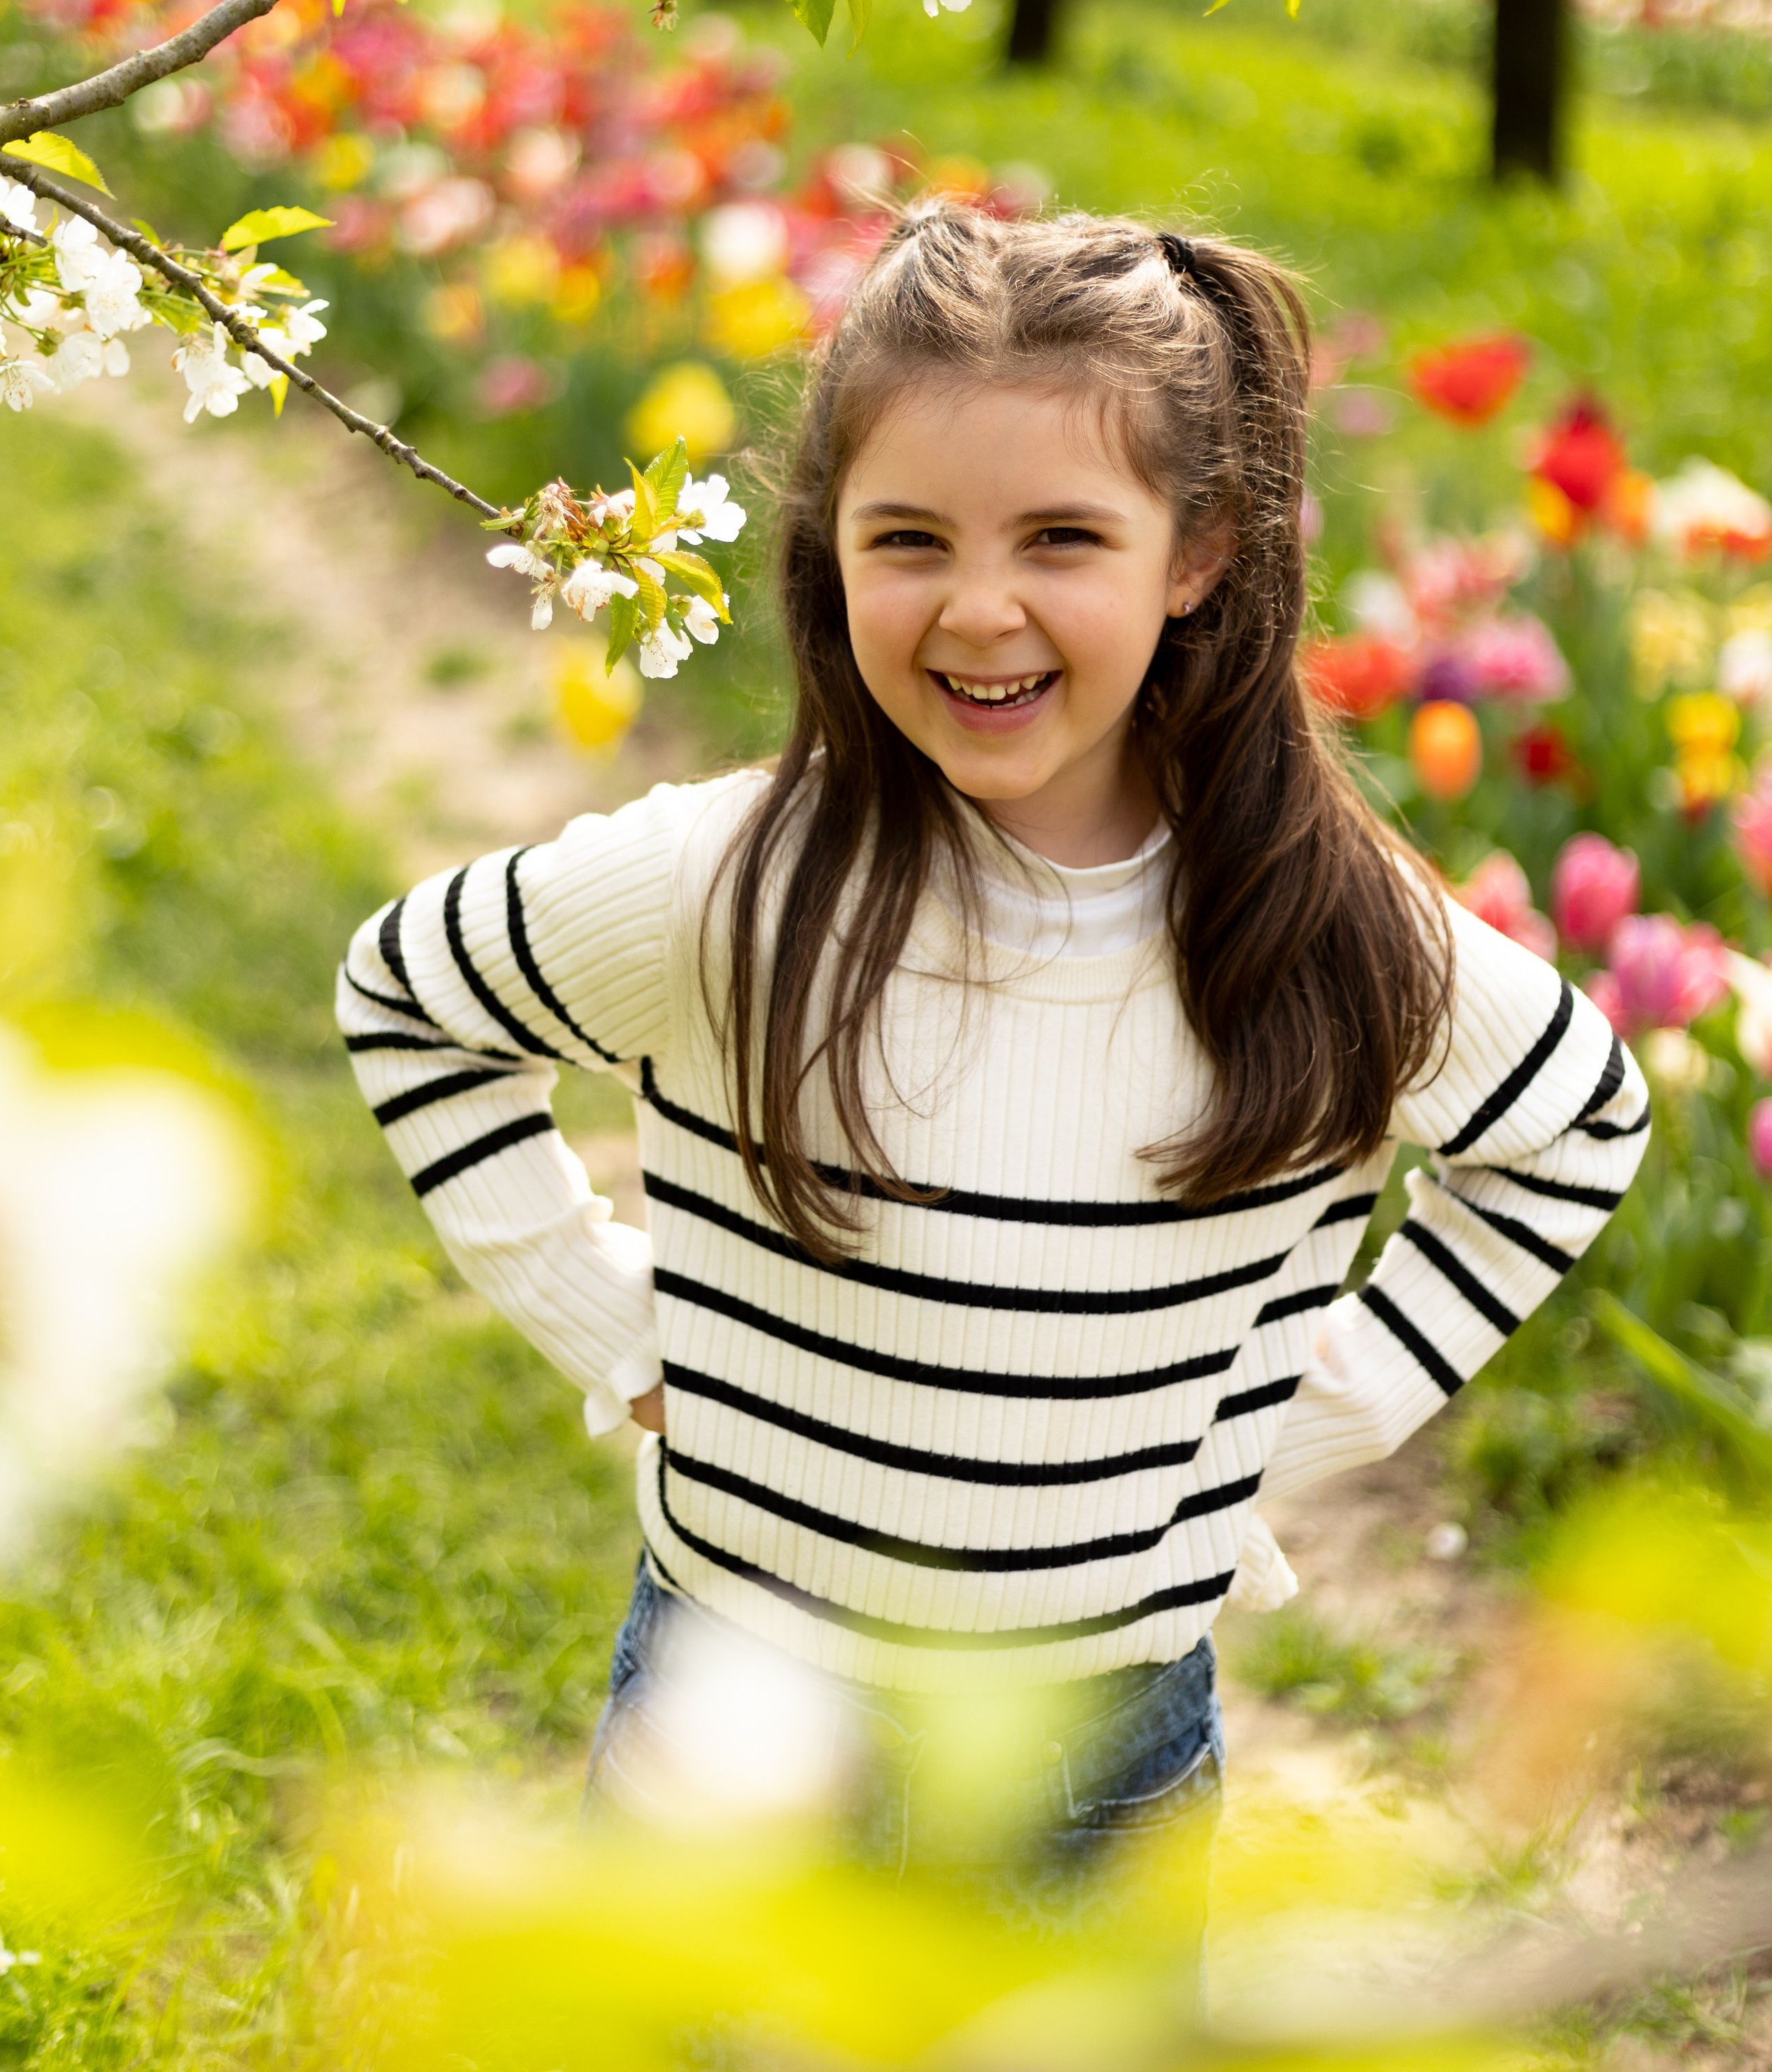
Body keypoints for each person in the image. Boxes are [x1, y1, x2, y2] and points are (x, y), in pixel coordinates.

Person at [336, 202, 1650, 1906]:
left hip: (1092, 1757)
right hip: (735, 1717)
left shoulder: (1313, 923)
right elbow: (410, 996)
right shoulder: (726, 880)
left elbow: (1575, 1125)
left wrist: (1305, 1418)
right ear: (828, 551)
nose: (977, 611)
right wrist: (611, 1324)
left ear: (1196, 554)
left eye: (1058, 539)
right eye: (907, 541)